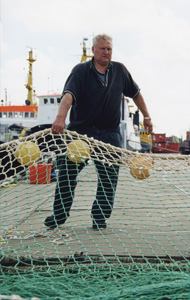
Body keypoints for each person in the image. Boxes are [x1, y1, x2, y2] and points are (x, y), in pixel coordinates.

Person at [44, 33, 153, 230]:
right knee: (67, 173)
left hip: (109, 134)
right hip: (80, 133)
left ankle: (99, 217)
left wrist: (147, 117)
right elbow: (68, 95)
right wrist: (60, 118)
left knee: (109, 178)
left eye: (109, 49)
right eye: (102, 48)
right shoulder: (80, 71)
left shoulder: (120, 70)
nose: (106, 52)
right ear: (93, 50)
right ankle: (59, 215)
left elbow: (136, 94)